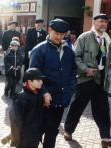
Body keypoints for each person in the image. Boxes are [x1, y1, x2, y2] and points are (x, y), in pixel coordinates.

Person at [63, 14, 111, 148]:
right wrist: (86, 69)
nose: (104, 24)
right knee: (78, 106)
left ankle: (106, 136)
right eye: (101, 21)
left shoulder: (106, 39)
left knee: (103, 109)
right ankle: (68, 130)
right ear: (94, 22)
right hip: (86, 78)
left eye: (106, 22)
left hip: (101, 79)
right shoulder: (85, 37)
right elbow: (76, 57)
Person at [29, 19, 77, 148]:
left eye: (63, 35)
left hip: (60, 98)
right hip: (43, 99)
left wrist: (71, 88)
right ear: (50, 31)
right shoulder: (39, 50)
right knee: (38, 129)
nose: (59, 37)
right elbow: (33, 74)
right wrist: (44, 92)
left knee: (53, 130)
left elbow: (73, 71)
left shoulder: (69, 51)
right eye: (56, 33)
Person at [9, 68, 49, 148]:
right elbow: (15, 120)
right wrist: (16, 140)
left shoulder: (39, 94)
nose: (41, 82)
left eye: (41, 79)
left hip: (35, 135)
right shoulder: (22, 97)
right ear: (30, 82)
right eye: (38, 80)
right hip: (25, 138)